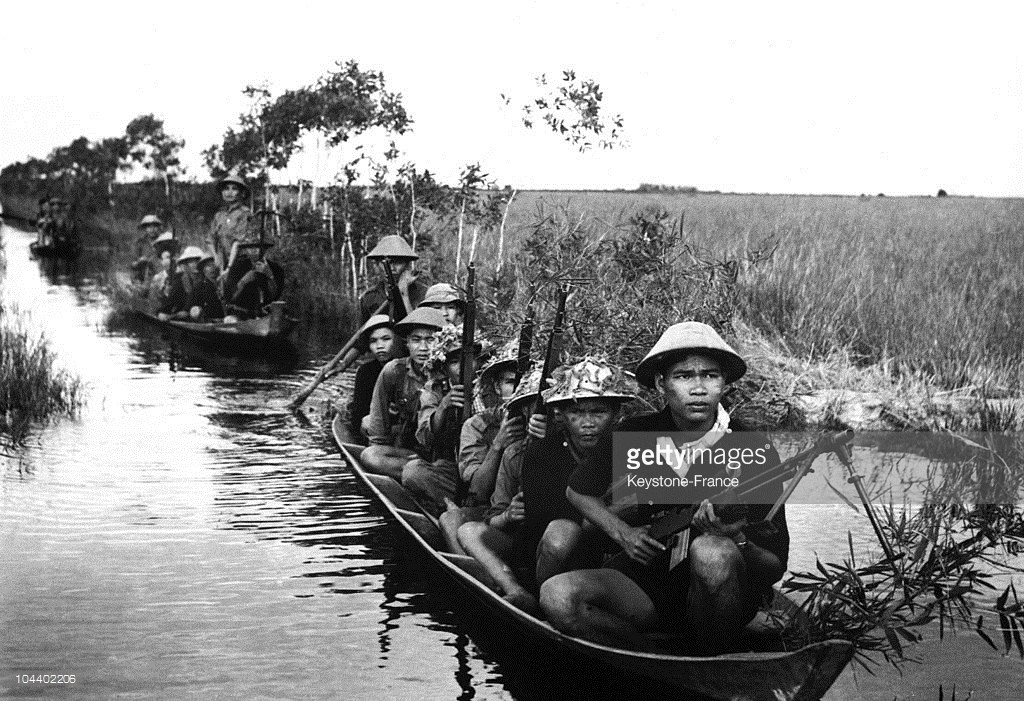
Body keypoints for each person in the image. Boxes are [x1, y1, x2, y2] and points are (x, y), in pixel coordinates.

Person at [539, 322, 790, 654]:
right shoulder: (634, 434)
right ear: (661, 383)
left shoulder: (752, 448)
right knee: (557, 596)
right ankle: (651, 658)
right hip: (647, 585)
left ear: (724, 384)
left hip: (720, 598)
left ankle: (712, 659)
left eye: (710, 376)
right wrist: (622, 534)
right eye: (684, 376)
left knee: (712, 552)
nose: (698, 388)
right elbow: (577, 491)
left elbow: (773, 567)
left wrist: (737, 540)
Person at [458, 358, 636, 613]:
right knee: (559, 533)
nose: (588, 423)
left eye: (599, 412)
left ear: (616, 414)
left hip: (604, 552)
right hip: (546, 550)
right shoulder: (541, 453)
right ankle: (527, 596)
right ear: (561, 415)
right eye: (577, 413)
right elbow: (544, 524)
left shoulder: (630, 448)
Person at [361, 306, 446, 480]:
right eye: (416, 340)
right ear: (407, 342)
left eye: (431, 340)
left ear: (442, 342)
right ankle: (415, 475)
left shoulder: (451, 372)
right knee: (370, 456)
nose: (423, 347)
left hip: (445, 455)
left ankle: (424, 476)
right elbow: (378, 428)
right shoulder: (393, 371)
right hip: (410, 451)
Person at [348, 315, 400, 439]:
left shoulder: (406, 367)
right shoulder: (365, 372)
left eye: (386, 339)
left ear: (397, 340)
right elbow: (358, 415)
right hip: (377, 429)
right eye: (373, 341)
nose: (379, 346)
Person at [359, 235, 428, 324]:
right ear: (377, 265)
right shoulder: (369, 297)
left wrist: (404, 293)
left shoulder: (423, 293)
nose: (392, 268)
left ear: (407, 266)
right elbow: (363, 334)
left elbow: (419, 330)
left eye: (398, 262)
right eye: (387, 263)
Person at [205, 173, 256, 271]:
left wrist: (229, 268)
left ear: (242, 193)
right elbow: (210, 239)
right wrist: (216, 258)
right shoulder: (219, 215)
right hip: (222, 261)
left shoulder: (245, 214)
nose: (229, 192)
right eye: (226, 188)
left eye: (234, 189)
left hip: (241, 262)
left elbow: (238, 243)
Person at [222, 243, 285, 321]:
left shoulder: (276, 269)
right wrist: (245, 280)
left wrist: (270, 275)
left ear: (265, 249)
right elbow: (230, 297)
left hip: (266, 316)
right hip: (241, 315)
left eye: (259, 248)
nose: (255, 251)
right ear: (246, 250)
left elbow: (278, 295)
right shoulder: (237, 267)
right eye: (251, 248)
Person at [157, 246, 205, 320]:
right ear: (186, 265)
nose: (195, 265)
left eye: (198, 261)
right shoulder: (180, 281)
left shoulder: (205, 280)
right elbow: (168, 305)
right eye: (191, 262)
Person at [185, 254, 226, 321]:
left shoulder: (221, 284)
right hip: (208, 323)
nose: (212, 268)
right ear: (203, 270)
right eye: (208, 266)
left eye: (213, 265)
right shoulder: (200, 287)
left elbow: (226, 304)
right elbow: (190, 308)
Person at [146, 232, 178, 307]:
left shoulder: (182, 275)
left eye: (172, 258)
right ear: (161, 261)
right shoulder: (158, 278)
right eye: (166, 258)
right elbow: (152, 300)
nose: (170, 261)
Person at [132, 214, 166, 282]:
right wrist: (140, 261)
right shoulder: (140, 243)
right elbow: (133, 263)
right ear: (145, 228)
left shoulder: (164, 241)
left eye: (154, 227)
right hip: (145, 274)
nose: (152, 230)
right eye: (149, 227)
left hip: (160, 273)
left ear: (158, 228)